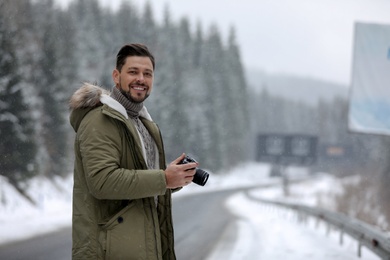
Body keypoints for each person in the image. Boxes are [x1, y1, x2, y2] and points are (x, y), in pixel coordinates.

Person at [69, 43, 197, 260]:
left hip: (142, 250)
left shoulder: (145, 124)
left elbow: (140, 188)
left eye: (147, 73)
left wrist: (174, 179)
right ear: (116, 76)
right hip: (107, 253)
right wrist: (163, 179)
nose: (141, 79)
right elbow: (103, 181)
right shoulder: (99, 121)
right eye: (133, 72)